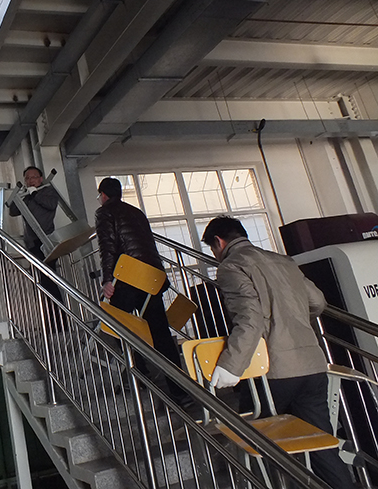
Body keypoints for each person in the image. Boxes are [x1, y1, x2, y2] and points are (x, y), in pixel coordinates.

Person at [201, 216, 356, 489]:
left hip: (275, 373)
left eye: (212, 249)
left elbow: (249, 318)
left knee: (258, 446)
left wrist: (230, 367)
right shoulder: (284, 261)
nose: (215, 254)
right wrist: (292, 320)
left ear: (219, 242)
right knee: (321, 446)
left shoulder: (231, 266)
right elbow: (317, 301)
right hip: (312, 366)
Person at [95, 177, 188, 404]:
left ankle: (140, 373)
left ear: (103, 195)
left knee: (117, 326)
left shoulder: (104, 212)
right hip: (150, 278)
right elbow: (149, 245)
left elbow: (108, 246)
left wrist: (107, 280)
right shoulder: (136, 212)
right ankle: (180, 390)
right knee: (161, 334)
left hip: (126, 280)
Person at [9, 166, 63, 304]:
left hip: (47, 242)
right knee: (39, 280)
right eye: (27, 178)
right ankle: (47, 312)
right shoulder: (27, 196)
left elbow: (51, 205)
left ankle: (58, 313)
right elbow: (13, 211)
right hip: (32, 243)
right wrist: (19, 195)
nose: (30, 180)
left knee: (48, 279)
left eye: (33, 177)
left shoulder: (48, 191)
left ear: (40, 179)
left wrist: (35, 194)